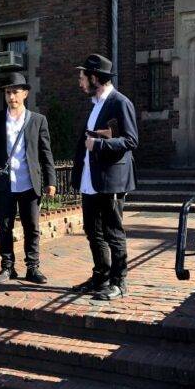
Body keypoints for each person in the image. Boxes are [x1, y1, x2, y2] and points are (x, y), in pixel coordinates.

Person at [0, 72, 57, 284]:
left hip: (29, 183)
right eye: (8, 93)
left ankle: (33, 268)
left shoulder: (38, 120)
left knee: (32, 228)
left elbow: (46, 153)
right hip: (4, 184)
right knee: (4, 227)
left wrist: (51, 181)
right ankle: (7, 267)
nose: (11, 97)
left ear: (25, 94)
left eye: (15, 92)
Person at [71, 54, 138, 301]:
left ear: (95, 78)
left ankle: (119, 283)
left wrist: (98, 144)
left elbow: (131, 140)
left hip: (111, 180)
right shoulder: (95, 105)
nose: (80, 82)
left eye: (82, 77)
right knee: (92, 230)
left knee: (112, 232)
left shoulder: (120, 102)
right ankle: (101, 277)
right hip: (91, 179)